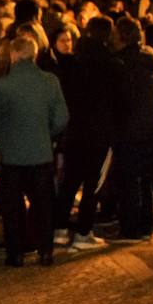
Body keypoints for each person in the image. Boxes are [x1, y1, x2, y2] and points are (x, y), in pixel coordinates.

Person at [0, 36, 68, 266]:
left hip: (12, 156)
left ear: (13, 56)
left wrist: (3, 137)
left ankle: (15, 253)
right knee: (43, 204)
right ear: (35, 54)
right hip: (41, 153)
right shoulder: (50, 82)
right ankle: (45, 251)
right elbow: (62, 118)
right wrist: (46, 133)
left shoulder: (2, 86)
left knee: (13, 208)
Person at [56, 16, 123, 252]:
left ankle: (60, 229)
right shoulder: (113, 65)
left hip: (74, 131)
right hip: (100, 134)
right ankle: (84, 231)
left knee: (70, 181)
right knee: (93, 184)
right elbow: (122, 102)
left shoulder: (72, 63)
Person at [112, 17, 153, 242]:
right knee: (143, 179)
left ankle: (131, 228)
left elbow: (123, 100)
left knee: (129, 179)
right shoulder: (149, 56)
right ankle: (144, 225)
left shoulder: (125, 62)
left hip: (132, 130)